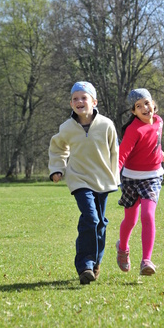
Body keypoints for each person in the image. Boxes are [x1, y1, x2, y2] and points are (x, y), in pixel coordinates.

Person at [49, 81, 120, 285]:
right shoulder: (66, 128)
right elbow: (58, 148)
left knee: (100, 223)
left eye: (84, 97)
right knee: (90, 217)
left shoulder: (106, 125)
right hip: (79, 178)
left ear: (94, 101)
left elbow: (115, 151)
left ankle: (95, 261)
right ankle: (85, 265)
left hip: (103, 179)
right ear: (71, 103)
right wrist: (57, 168)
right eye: (75, 99)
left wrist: (116, 178)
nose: (79, 101)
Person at [116, 88, 164, 276]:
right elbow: (122, 156)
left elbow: (155, 141)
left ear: (153, 103)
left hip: (152, 177)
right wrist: (114, 176)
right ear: (133, 112)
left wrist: (159, 154)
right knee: (130, 220)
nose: (145, 108)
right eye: (139, 106)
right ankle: (122, 248)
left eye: (147, 103)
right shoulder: (133, 130)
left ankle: (146, 260)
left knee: (147, 215)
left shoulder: (159, 121)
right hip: (130, 178)